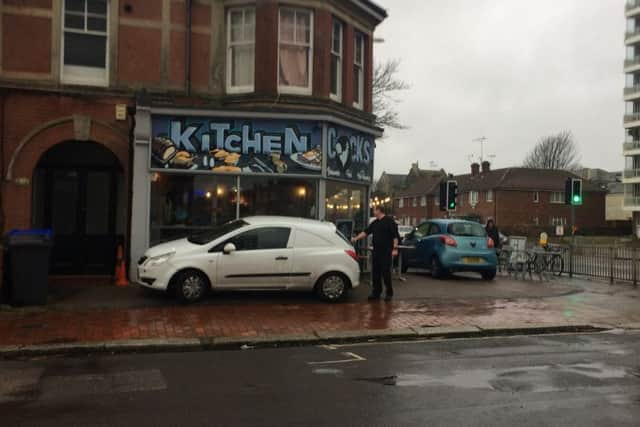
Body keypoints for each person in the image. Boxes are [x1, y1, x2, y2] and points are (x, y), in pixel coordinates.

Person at [352, 205, 399, 302]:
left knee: (386, 273)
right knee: (376, 273)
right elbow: (366, 232)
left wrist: (394, 249)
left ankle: (389, 293)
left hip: (386, 252)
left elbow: (395, 236)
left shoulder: (389, 221)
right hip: (376, 251)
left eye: (374, 210)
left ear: (379, 210)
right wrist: (356, 238)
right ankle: (376, 292)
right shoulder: (375, 223)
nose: (373, 211)